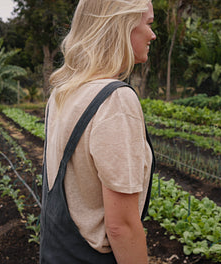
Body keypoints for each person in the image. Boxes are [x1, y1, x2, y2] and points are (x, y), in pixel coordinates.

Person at [40, 0, 156, 263]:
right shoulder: (114, 99)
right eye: (148, 24)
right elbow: (121, 227)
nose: (152, 34)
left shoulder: (62, 93)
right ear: (122, 26)